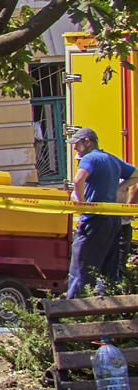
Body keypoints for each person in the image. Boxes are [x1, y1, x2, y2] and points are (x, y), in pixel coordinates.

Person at [65, 126, 137, 298]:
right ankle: (112, 309)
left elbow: (78, 179)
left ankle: (74, 311)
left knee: (80, 269)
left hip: (94, 220)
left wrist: (82, 205)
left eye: (77, 144)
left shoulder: (89, 158)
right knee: (110, 271)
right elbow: (135, 175)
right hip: (113, 221)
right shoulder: (112, 159)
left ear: (87, 142)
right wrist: (118, 188)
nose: (75, 148)